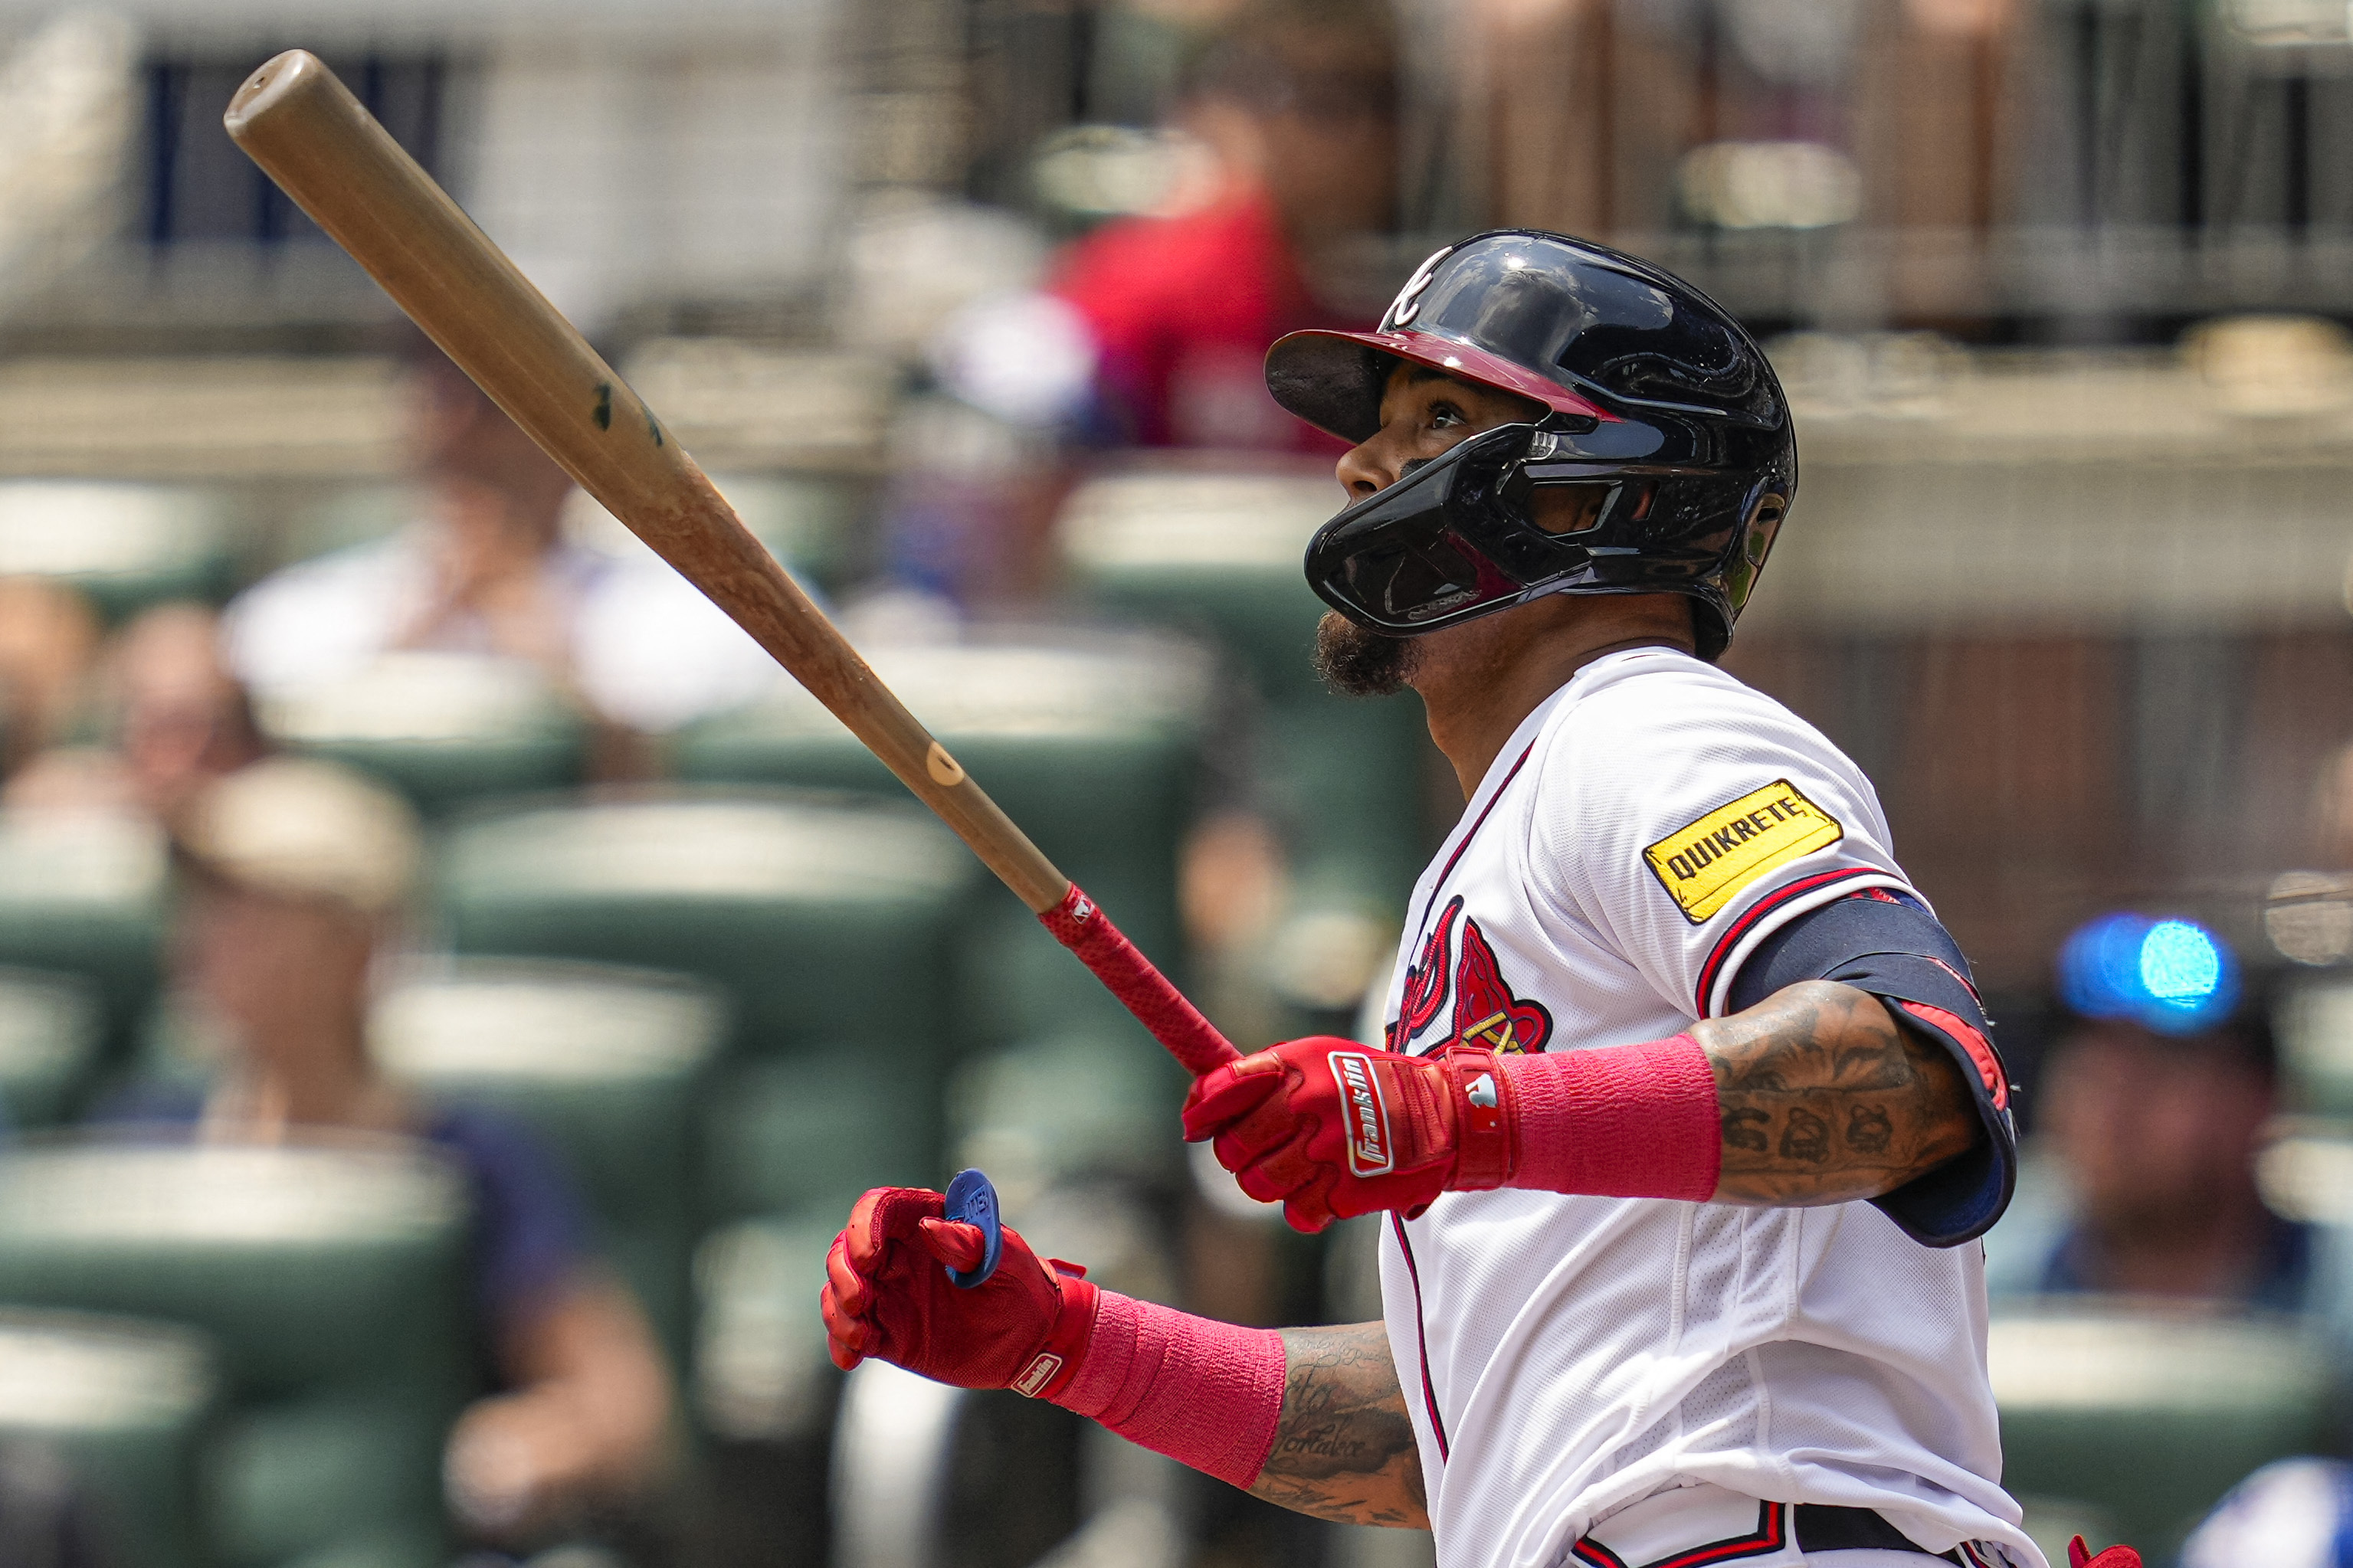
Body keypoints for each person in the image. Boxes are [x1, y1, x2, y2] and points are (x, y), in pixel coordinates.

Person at [822, 233, 2145, 1568]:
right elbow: (1458, 1435)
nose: (1357, 468)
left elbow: (1914, 1073)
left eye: (1436, 421)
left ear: (1591, 495)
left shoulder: (1654, 729)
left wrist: (1452, 1115)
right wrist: (1068, 1342)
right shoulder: (1522, 822)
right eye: (1376, 432)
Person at [105, 757, 673, 1543]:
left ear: (359, 943)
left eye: (253, 907)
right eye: (203, 904)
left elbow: (624, 1410)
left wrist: (517, 1451)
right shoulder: (138, 1143)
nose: (209, 937)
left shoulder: (471, 1160)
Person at [221, 346, 776, 743]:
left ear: (590, 430)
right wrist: (411, 633)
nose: (461, 425)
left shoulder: (684, 606)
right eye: (439, 392)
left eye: (493, 398)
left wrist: (532, 628)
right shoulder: (319, 602)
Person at [1043, 0, 1399, 450]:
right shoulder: (1137, 291)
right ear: (1227, 106)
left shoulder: (1393, 312)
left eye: (1385, 99)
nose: (1364, 134)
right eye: (1326, 99)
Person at [4, 602, 263, 824]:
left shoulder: (266, 811)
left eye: (185, 725)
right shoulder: (55, 798)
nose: (169, 754)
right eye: (151, 725)